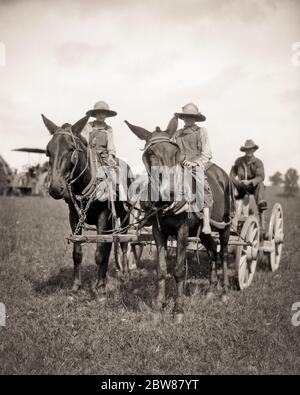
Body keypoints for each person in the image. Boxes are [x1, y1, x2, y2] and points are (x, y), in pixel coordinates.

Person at [172, 103, 213, 234]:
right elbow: (171, 149)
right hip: (179, 164)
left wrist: (194, 163)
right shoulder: (177, 134)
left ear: (195, 118)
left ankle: (206, 223)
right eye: (186, 117)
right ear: (183, 118)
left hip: (196, 164)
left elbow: (206, 153)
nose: (188, 119)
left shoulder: (201, 132)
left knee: (202, 185)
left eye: (191, 117)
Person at [230, 139, 267, 212]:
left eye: (250, 149)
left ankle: (260, 204)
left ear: (253, 150)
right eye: (247, 149)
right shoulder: (239, 161)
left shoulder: (258, 162)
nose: (249, 151)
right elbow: (232, 173)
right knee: (230, 182)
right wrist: (233, 179)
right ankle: (230, 206)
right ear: (244, 150)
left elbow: (260, 177)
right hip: (241, 187)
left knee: (260, 184)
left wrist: (250, 182)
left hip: (253, 187)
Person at [82, 101, 117, 167]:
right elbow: (84, 141)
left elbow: (111, 144)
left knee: (112, 172)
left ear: (106, 115)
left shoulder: (108, 129)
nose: (101, 115)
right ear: (95, 115)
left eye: (103, 114)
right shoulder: (88, 126)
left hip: (104, 156)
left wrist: (111, 155)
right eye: (99, 113)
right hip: (89, 154)